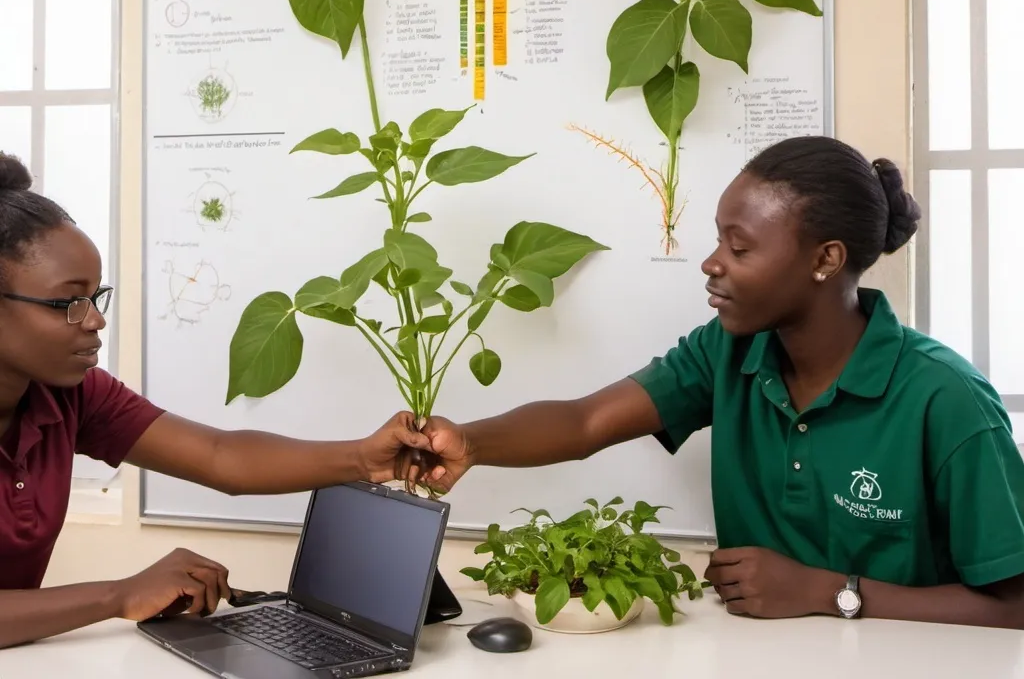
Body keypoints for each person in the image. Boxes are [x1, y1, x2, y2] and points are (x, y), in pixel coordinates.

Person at [407, 136, 1024, 630]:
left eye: (741, 246)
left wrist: (829, 592)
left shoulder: (946, 400)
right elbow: (586, 422)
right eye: (718, 238)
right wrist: (469, 441)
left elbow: (1015, 608)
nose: (712, 262)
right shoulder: (728, 350)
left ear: (825, 260)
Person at [0, 152, 429, 649]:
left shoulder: (70, 395)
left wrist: (366, 457)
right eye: (67, 303)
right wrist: (119, 595)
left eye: (97, 297)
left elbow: (222, 457)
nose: (94, 320)